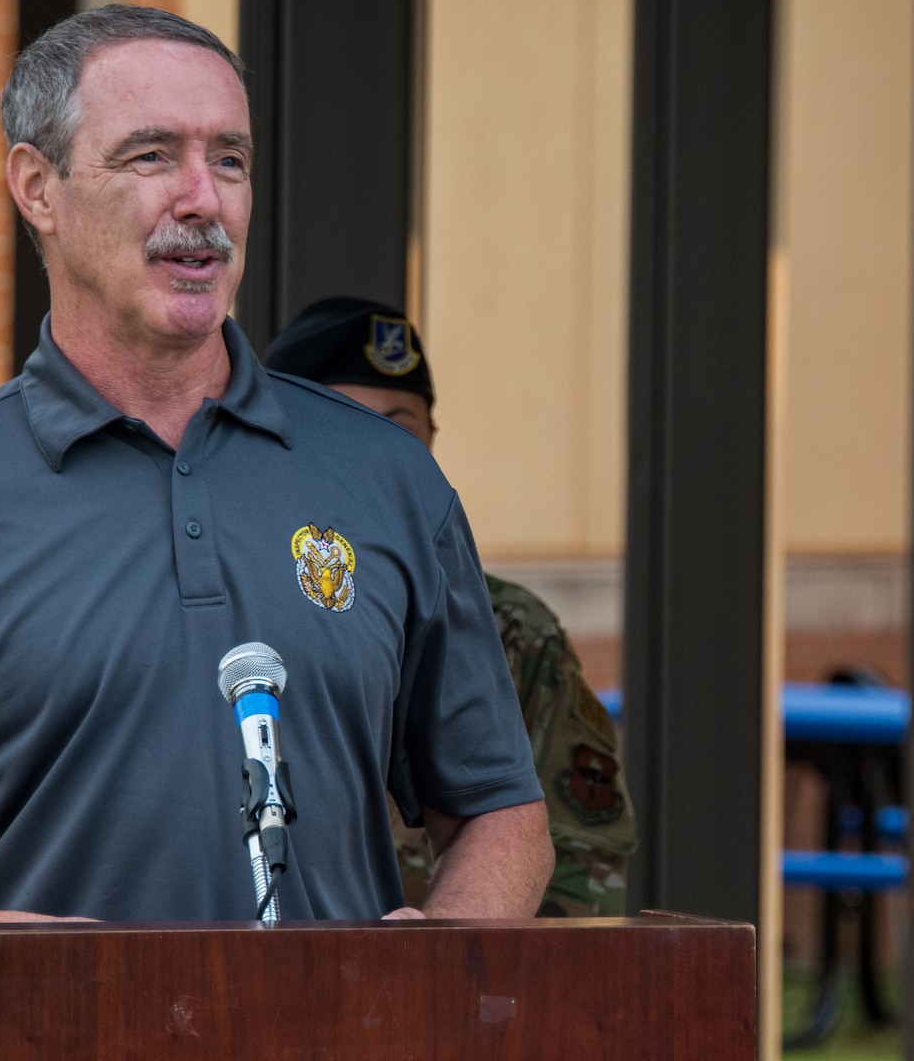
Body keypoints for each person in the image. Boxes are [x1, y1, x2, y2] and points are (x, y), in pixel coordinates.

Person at [0, 6, 553, 998]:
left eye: (228, 160)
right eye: (150, 156)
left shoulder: (389, 482)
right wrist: (5, 969)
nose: (203, 200)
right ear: (37, 188)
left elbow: (499, 811)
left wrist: (440, 961)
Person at [264, 297, 636, 916]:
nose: (371, 454)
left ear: (430, 442)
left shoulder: (512, 630)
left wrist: (455, 963)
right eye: (344, 426)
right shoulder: (233, 605)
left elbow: (583, 863)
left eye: (398, 429)